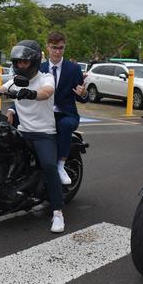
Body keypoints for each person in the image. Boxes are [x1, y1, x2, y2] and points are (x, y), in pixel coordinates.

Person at [0, 40, 65, 233]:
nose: (21, 66)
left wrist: (31, 93)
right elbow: (0, 89)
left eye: (24, 63)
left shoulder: (46, 78)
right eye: (18, 62)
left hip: (43, 133)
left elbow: (46, 92)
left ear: (34, 62)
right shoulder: (14, 80)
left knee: (49, 165)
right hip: (21, 131)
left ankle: (58, 212)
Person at [25, 31, 88, 185]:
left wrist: (84, 93)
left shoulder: (73, 69)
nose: (57, 51)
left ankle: (60, 165)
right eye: (54, 48)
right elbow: (26, 91)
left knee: (65, 125)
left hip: (66, 114)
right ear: (48, 47)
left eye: (61, 48)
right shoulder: (39, 68)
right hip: (42, 113)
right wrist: (13, 109)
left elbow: (81, 97)